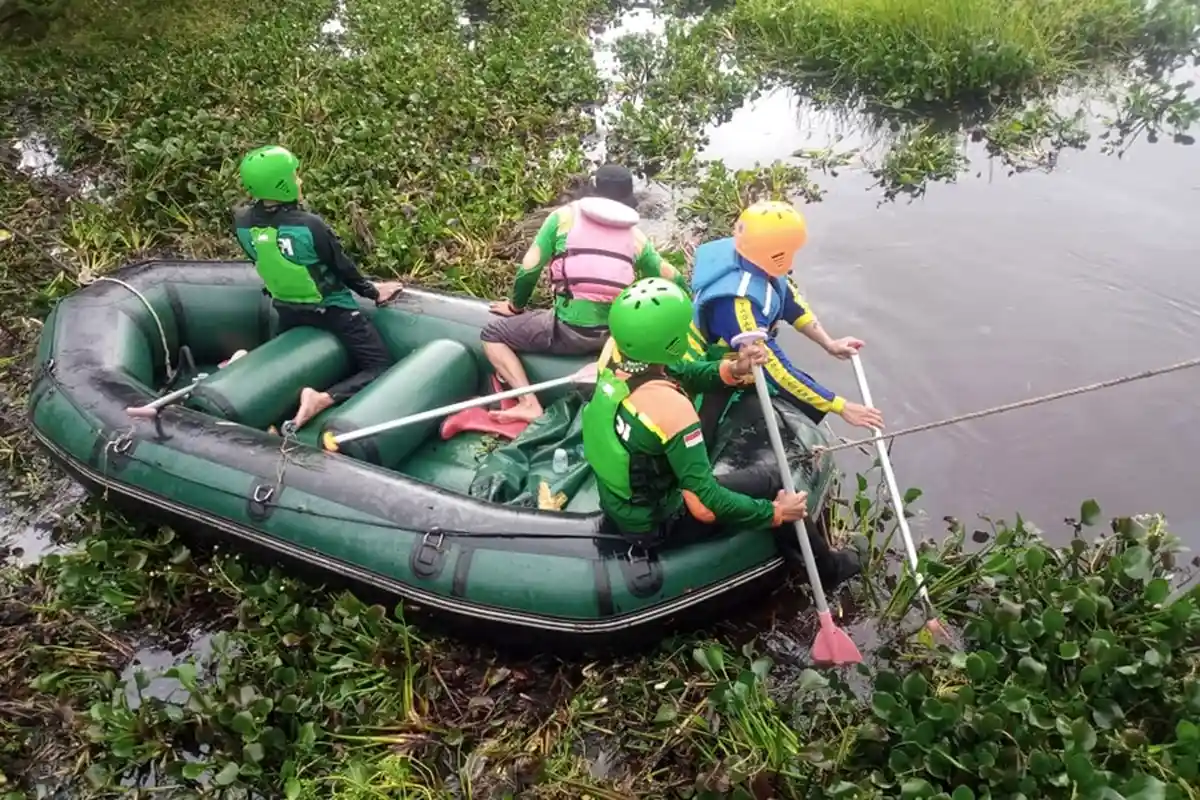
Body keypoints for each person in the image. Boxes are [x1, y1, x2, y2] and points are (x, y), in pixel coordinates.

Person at [582, 277, 861, 589]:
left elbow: (684, 373)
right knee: (776, 484)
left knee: (717, 405)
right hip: (658, 522)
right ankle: (828, 571)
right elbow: (707, 500)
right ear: (673, 340)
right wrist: (772, 512)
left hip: (624, 501)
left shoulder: (618, 370)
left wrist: (735, 368)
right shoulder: (672, 410)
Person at [482, 163, 686, 424]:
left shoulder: (563, 218)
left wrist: (515, 307)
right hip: (616, 337)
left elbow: (528, 270)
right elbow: (671, 276)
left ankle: (528, 403)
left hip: (568, 331)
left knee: (492, 334)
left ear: (593, 190)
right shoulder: (636, 237)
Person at [233, 145, 403, 429]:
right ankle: (323, 399)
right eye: (294, 176)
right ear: (281, 183)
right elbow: (342, 268)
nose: (299, 181)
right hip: (332, 310)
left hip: (287, 310)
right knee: (379, 367)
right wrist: (373, 292)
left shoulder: (242, 222)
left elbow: (261, 260)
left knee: (286, 370)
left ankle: (264, 403)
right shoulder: (309, 225)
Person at [690, 200, 885, 431]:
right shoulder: (739, 304)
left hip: (742, 352)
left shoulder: (757, 261)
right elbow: (774, 368)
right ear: (777, 253)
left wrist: (829, 344)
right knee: (707, 423)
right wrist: (840, 406)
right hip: (711, 363)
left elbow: (791, 303)